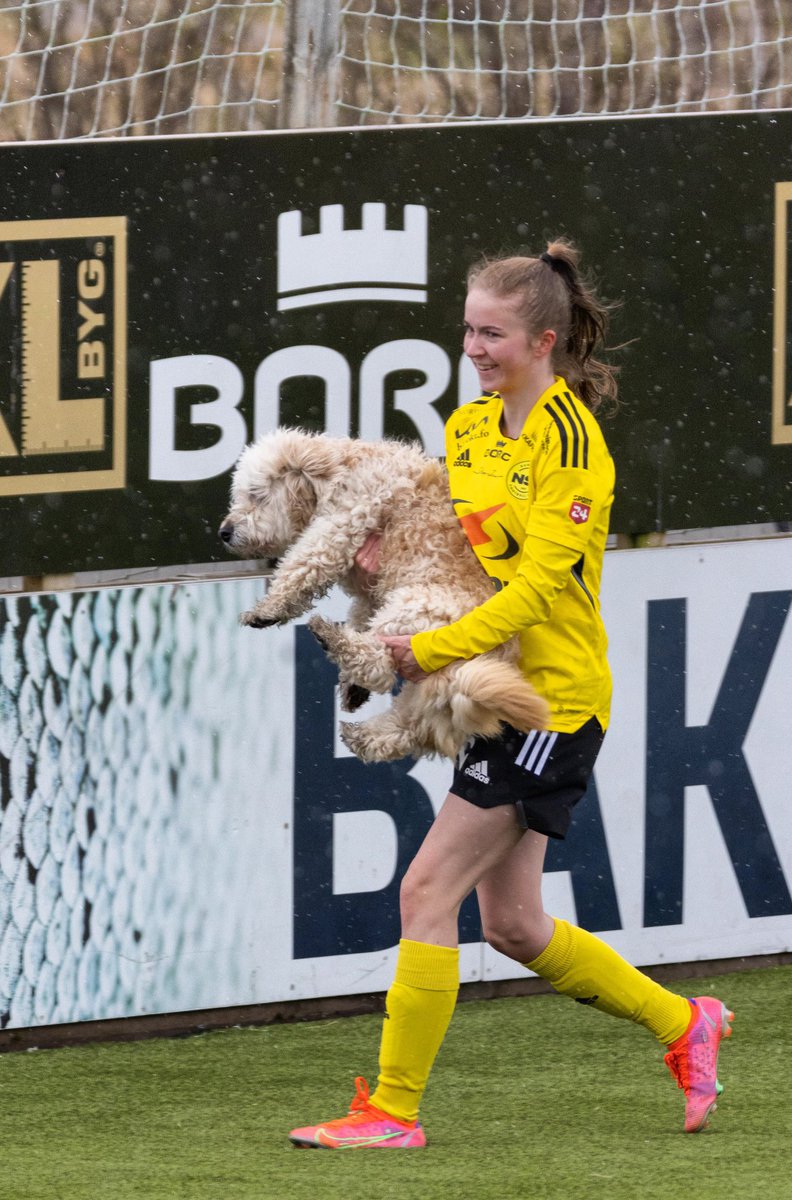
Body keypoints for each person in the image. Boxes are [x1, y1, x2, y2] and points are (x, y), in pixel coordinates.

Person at [289, 238, 734, 1150]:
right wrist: (381, 568)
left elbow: (536, 590)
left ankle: (393, 1112)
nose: (474, 348)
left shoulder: (574, 446)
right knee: (518, 927)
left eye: (491, 334)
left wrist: (427, 653)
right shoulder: (466, 430)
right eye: (466, 330)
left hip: (552, 706)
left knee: (425, 889)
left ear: (541, 340)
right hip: (494, 689)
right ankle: (686, 1025)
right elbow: (460, 556)